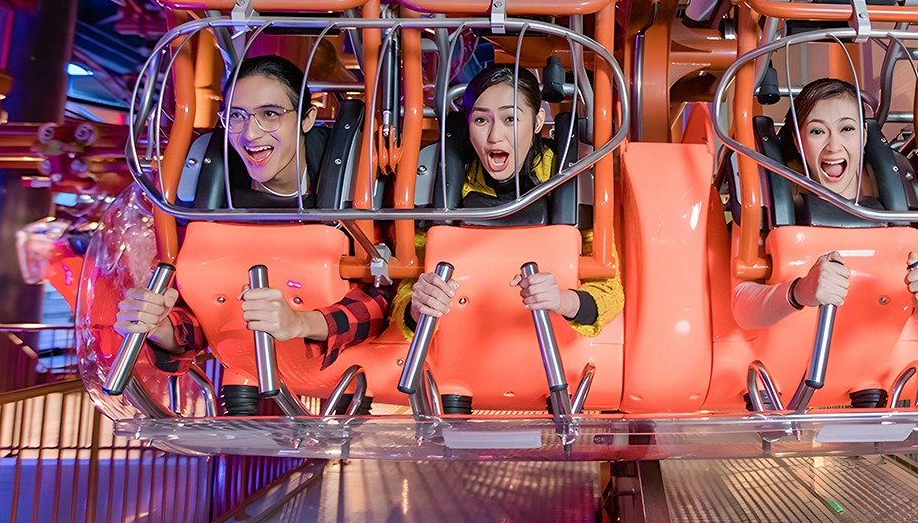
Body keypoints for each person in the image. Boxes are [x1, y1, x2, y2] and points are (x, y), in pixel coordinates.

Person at [116, 55, 380, 377]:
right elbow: (199, 319)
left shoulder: (355, 190)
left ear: (307, 119)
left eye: (269, 114)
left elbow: (381, 301)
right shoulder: (204, 201)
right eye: (237, 117)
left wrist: (300, 322)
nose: (250, 135)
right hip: (251, 370)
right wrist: (160, 327)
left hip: (349, 371)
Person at [400, 64, 623, 334]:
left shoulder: (572, 178)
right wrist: (416, 307)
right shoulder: (440, 182)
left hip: (555, 346)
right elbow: (405, 288)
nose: (495, 137)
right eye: (481, 120)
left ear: (538, 121)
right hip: (462, 342)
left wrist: (564, 300)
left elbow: (611, 292)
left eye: (510, 119)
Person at [731, 78, 918, 329]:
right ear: (798, 140)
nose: (833, 146)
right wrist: (797, 292)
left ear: (864, 134)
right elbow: (741, 309)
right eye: (817, 131)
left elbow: (911, 315)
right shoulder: (765, 201)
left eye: (846, 129)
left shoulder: (904, 200)